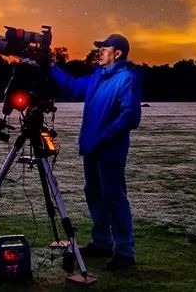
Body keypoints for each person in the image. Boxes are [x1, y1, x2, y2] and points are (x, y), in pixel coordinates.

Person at [51, 33, 143, 271]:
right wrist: (50, 67)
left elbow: (130, 116)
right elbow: (72, 86)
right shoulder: (97, 77)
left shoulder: (126, 78)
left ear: (117, 53)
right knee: (95, 195)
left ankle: (124, 251)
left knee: (114, 198)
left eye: (105, 48)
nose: (100, 51)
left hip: (109, 151)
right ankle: (102, 242)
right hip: (92, 149)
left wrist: (105, 137)